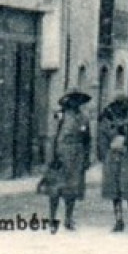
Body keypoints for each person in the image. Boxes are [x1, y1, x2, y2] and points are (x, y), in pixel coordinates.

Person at [99, 96, 128, 233]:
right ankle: (119, 220)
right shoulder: (107, 124)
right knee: (115, 190)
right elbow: (102, 142)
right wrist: (106, 154)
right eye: (118, 107)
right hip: (112, 159)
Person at [47, 90, 92, 231]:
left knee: (73, 188)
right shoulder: (60, 116)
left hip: (77, 155)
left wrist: (86, 158)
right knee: (56, 188)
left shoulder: (84, 118)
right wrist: (52, 157)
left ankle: (68, 218)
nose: (76, 103)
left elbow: (87, 140)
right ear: (68, 101)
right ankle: (52, 219)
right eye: (73, 100)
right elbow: (53, 137)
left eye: (79, 100)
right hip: (61, 153)